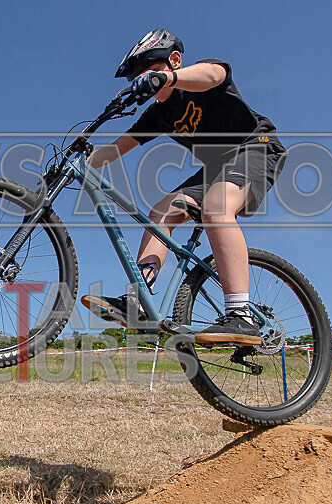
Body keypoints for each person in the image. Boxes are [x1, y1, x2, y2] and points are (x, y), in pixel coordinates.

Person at [80, 28, 286, 345]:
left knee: (216, 206)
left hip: (255, 148)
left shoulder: (198, 77)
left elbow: (215, 73)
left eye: (148, 70)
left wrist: (170, 79)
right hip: (216, 170)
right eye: (136, 77)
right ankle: (139, 300)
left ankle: (241, 315)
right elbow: (116, 149)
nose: (143, 80)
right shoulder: (159, 114)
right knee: (160, 212)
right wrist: (76, 162)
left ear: (174, 60)